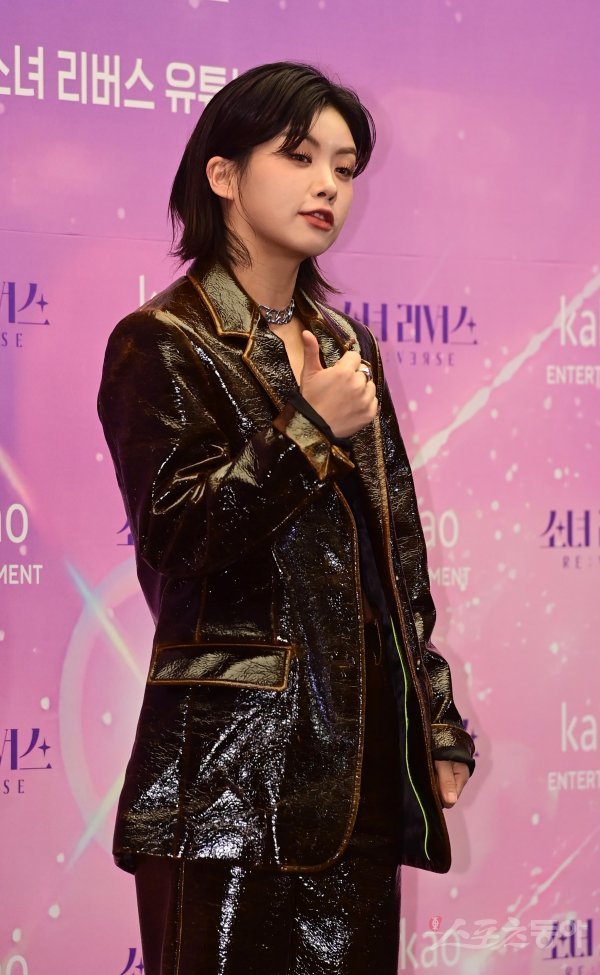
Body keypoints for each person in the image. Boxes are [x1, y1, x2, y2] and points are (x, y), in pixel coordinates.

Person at [98, 61, 475, 975]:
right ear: (223, 174)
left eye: (343, 168)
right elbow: (178, 538)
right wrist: (306, 426)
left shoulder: (347, 348)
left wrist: (434, 717)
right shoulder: (162, 342)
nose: (327, 186)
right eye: (300, 157)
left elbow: (395, 554)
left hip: (358, 773)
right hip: (225, 784)